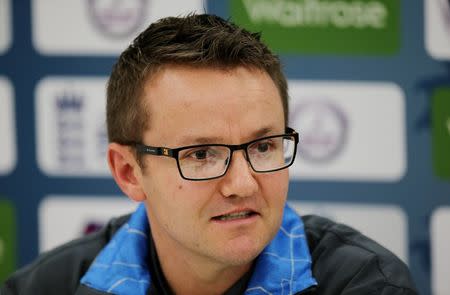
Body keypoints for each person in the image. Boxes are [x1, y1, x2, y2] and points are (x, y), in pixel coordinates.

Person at [1, 14, 417, 295]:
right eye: (201, 154)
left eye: (264, 146)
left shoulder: (365, 284)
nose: (242, 184)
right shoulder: (45, 288)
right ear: (129, 171)